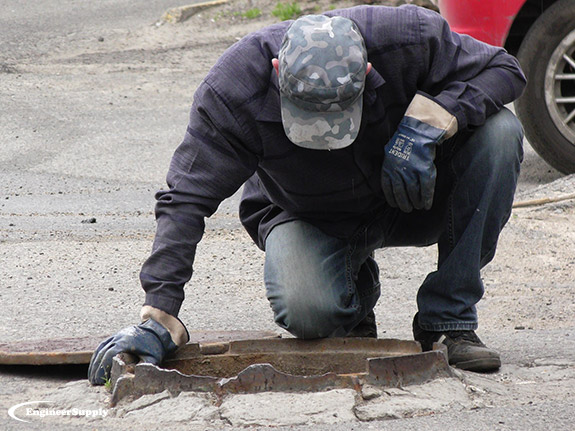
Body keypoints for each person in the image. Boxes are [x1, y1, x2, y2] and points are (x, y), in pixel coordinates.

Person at [88, 4, 526, 384]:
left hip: (413, 194)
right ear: (278, 71)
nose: (326, 139)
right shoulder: (233, 89)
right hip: (308, 213)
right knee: (307, 310)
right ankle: (351, 303)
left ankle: (447, 320)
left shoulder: (408, 39)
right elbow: (185, 199)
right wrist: (159, 313)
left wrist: (426, 124)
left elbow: (505, 69)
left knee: (500, 132)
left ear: (368, 72)